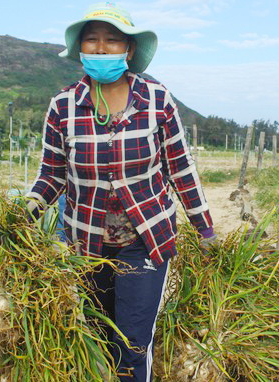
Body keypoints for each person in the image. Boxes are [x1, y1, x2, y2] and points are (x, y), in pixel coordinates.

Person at [26, 3, 216, 380]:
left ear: (128, 50)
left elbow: (180, 168)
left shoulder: (156, 99)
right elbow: (52, 174)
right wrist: (28, 208)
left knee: (131, 345)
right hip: (87, 243)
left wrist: (205, 228)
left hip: (145, 239)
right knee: (97, 338)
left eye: (111, 41)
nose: (100, 48)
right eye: (92, 40)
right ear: (79, 49)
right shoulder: (63, 106)